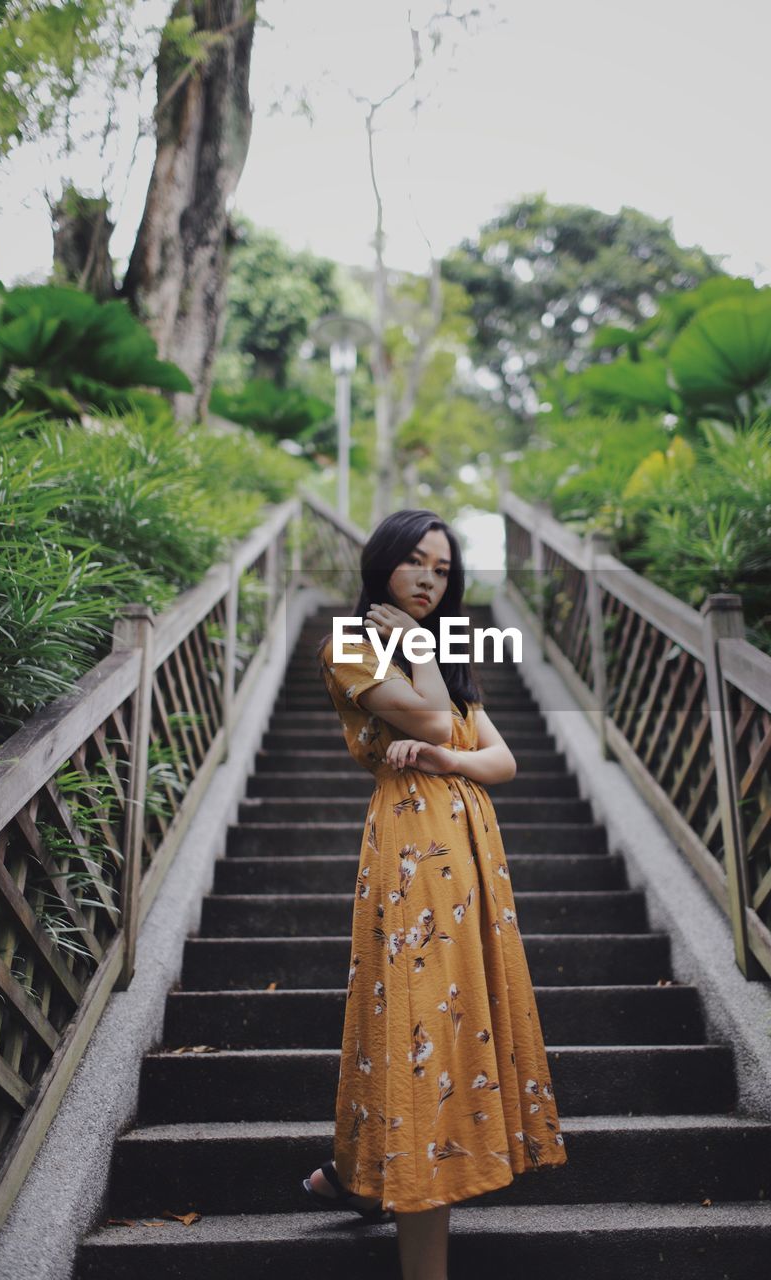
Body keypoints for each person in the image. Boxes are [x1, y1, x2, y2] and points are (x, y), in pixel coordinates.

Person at [302, 509, 567, 1280]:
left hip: (471, 848)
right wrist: (421, 659)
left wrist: (451, 758)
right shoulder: (348, 646)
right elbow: (423, 718)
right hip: (410, 851)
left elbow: (501, 762)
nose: (426, 578)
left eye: (442, 570)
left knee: (453, 1025)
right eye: (414, 562)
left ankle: (354, 1178)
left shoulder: (444, 653)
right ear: (381, 565)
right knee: (419, 1027)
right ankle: (386, 1195)